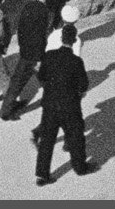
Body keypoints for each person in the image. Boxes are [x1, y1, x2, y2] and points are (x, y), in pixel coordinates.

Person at [33, 24, 95, 186]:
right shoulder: (76, 61)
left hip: (50, 104)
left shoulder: (49, 56)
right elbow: (83, 85)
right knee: (76, 136)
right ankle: (80, 167)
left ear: (61, 38)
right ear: (74, 40)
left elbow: (41, 76)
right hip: (69, 105)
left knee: (47, 140)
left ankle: (42, 174)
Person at [0, 0, 54, 121]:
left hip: (25, 51)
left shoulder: (27, 6)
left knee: (17, 83)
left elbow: (20, 29)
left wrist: (22, 47)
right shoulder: (46, 12)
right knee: (46, 79)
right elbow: (42, 37)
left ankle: (6, 110)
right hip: (37, 54)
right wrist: (39, 57)